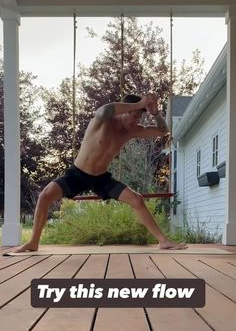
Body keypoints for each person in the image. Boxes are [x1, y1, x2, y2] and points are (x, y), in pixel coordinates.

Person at [15, 93, 187, 252]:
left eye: (139, 117)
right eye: (134, 115)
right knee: (45, 196)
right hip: (78, 174)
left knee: (137, 200)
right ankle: (33, 242)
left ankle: (163, 241)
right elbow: (104, 110)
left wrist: (156, 114)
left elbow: (162, 131)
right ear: (124, 111)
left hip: (101, 178)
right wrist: (141, 103)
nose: (136, 121)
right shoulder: (103, 120)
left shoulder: (132, 130)